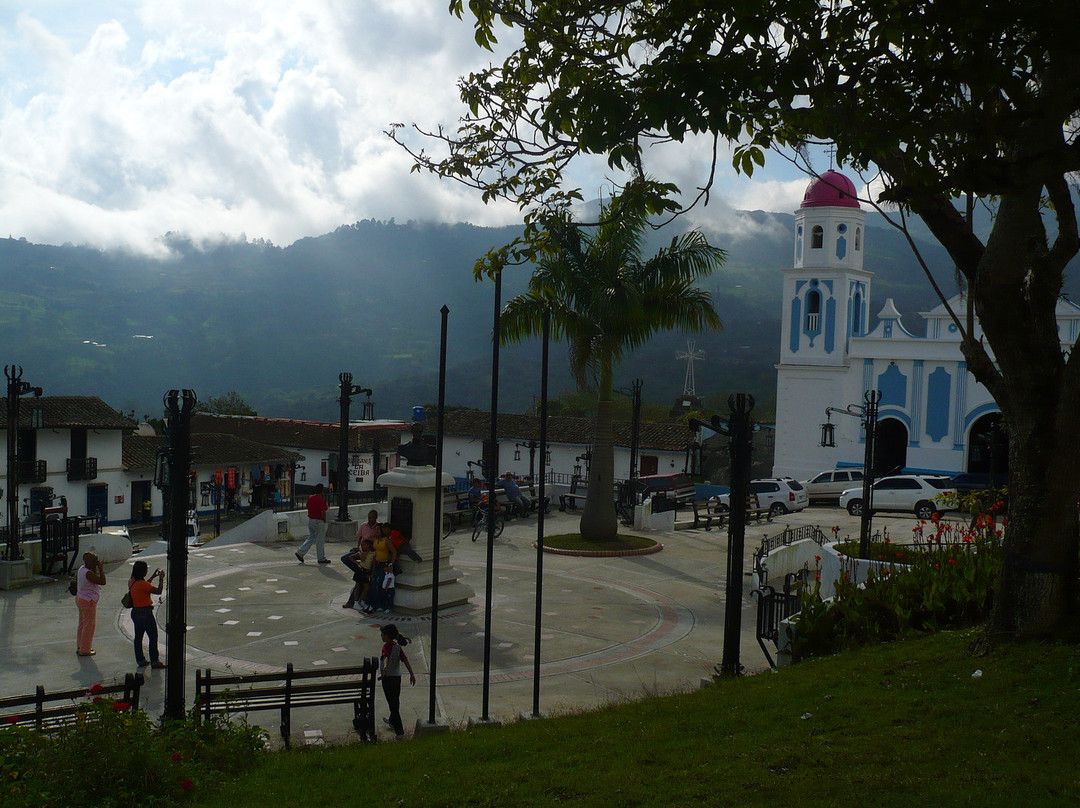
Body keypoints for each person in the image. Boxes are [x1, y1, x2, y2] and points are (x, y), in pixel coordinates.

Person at [127, 561, 166, 669]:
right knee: (153, 637)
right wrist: (161, 579)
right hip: (146, 613)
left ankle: (140, 660)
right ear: (143, 572)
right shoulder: (144, 584)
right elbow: (158, 591)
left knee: (138, 637)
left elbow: (144, 587)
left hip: (135, 612)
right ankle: (155, 661)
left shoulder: (131, 582)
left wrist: (152, 576)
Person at [379, 625, 415, 738]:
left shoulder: (386, 647)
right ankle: (392, 720)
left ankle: (399, 731)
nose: (381, 636)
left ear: (387, 636)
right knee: (395, 701)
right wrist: (412, 674)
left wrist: (385, 667)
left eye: (382, 634)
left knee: (392, 704)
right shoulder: (398, 647)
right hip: (397, 679)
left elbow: (386, 657)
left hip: (388, 679)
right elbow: (405, 660)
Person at [75, 551, 106, 657]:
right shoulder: (88, 574)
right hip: (88, 601)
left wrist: (95, 567)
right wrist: (101, 568)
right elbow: (102, 581)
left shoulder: (81, 569)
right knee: (89, 626)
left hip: (81, 598)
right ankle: (85, 649)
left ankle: (80, 645)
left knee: (82, 624)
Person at [295, 483, 331, 564]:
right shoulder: (321, 500)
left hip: (311, 520)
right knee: (320, 540)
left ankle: (300, 552)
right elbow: (323, 512)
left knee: (311, 537)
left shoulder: (310, 497)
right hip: (319, 521)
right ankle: (321, 558)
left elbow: (308, 506)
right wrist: (324, 521)